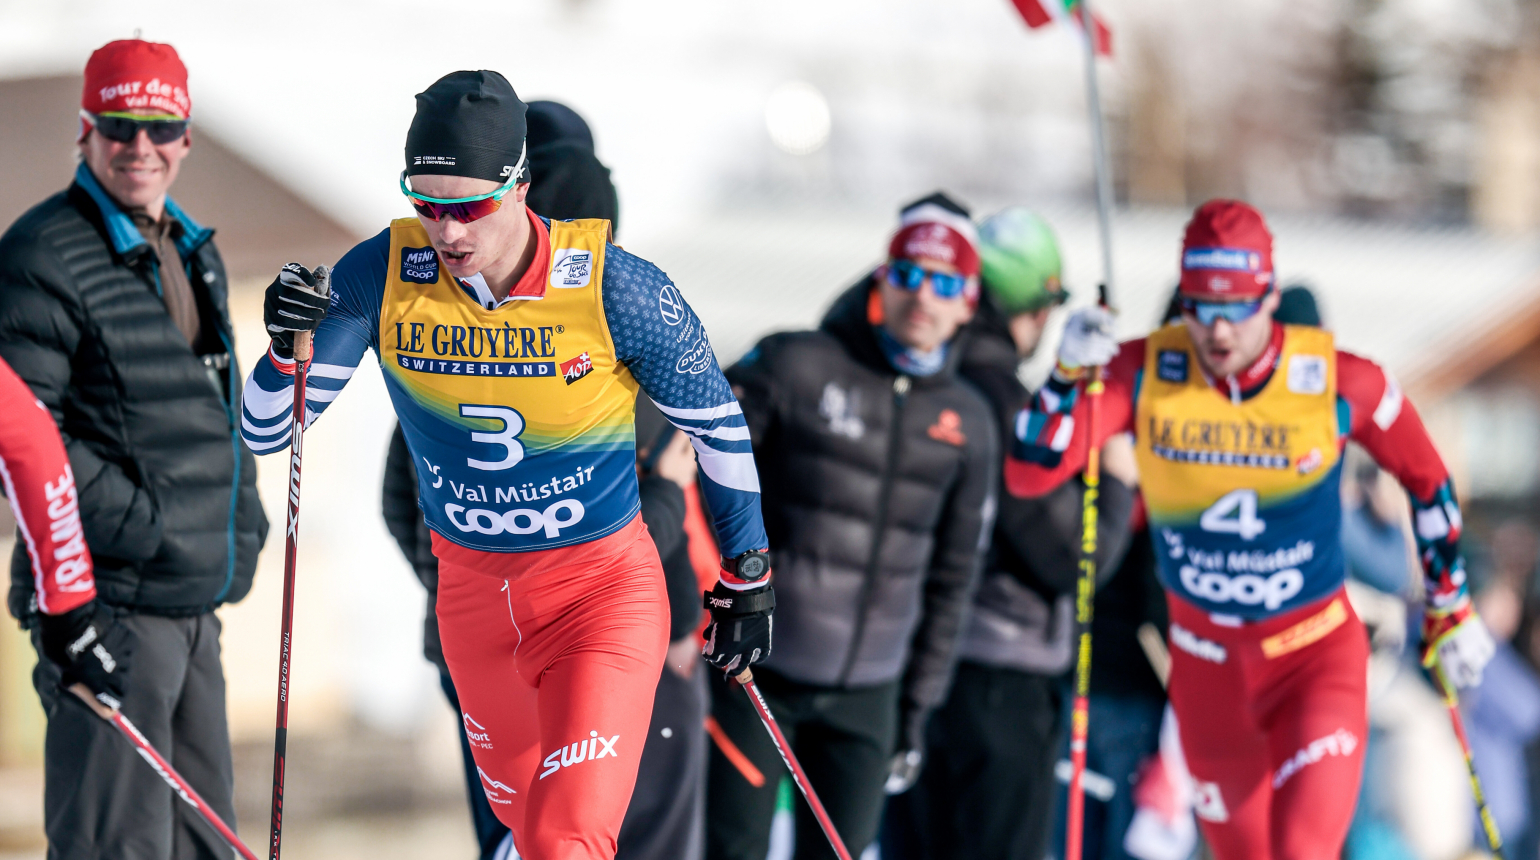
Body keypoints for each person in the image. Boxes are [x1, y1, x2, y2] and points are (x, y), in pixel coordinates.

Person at [244, 70, 770, 860]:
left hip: (599, 596)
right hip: (475, 609)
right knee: (520, 839)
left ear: (520, 186)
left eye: (470, 207)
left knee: (564, 839)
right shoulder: (383, 271)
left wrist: (748, 572)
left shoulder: (616, 289)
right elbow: (266, 430)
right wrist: (286, 348)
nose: (448, 232)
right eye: (427, 205)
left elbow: (718, 426)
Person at [1007, 198, 1496, 859]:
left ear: (1268, 298)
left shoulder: (1337, 380)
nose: (1217, 331)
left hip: (1312, 661)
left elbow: (1427, 478)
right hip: (1209, 674)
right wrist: (1065, 377)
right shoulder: (1146, 371)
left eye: (1235, 307)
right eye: (1200, 307)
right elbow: (1030, 471)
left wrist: (1450, 603)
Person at [0, 39, 267, 859]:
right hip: (110, 604)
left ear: (186, 137)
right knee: (116, 846)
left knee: (205, 843)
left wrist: (240, 521)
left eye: (159, 127)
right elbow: (23, 433)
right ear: (86, 131)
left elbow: (211, 404)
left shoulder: (191, 245)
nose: (139, 147)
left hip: (192, 599)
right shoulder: (42, 255)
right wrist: (145, 526)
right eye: (119, 126)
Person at [707, 193, 998, 860]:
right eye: (908, 274)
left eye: (944, 283)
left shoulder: (970, 421)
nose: (922, 296)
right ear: (881, 278)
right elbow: (699, 470)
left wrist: (916, 710)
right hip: (759, 671)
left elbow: (954, 579)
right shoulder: (797, 363)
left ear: (968, 303)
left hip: (871, 693)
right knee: (733, 851)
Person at [378, 97, 622, 860]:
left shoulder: (611, 321)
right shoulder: (450, 335)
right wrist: (470, 577)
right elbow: (402, 493)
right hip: (494, 639)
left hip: (584, 634)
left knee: (555, 832)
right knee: (532, 830)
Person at [882, 206, 1138, 860]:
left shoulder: (916, 384)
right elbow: (1073, 559)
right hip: (997, 685)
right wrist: (1115, 478)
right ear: (1030, 312)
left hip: (905, 675)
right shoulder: (1004, 409)